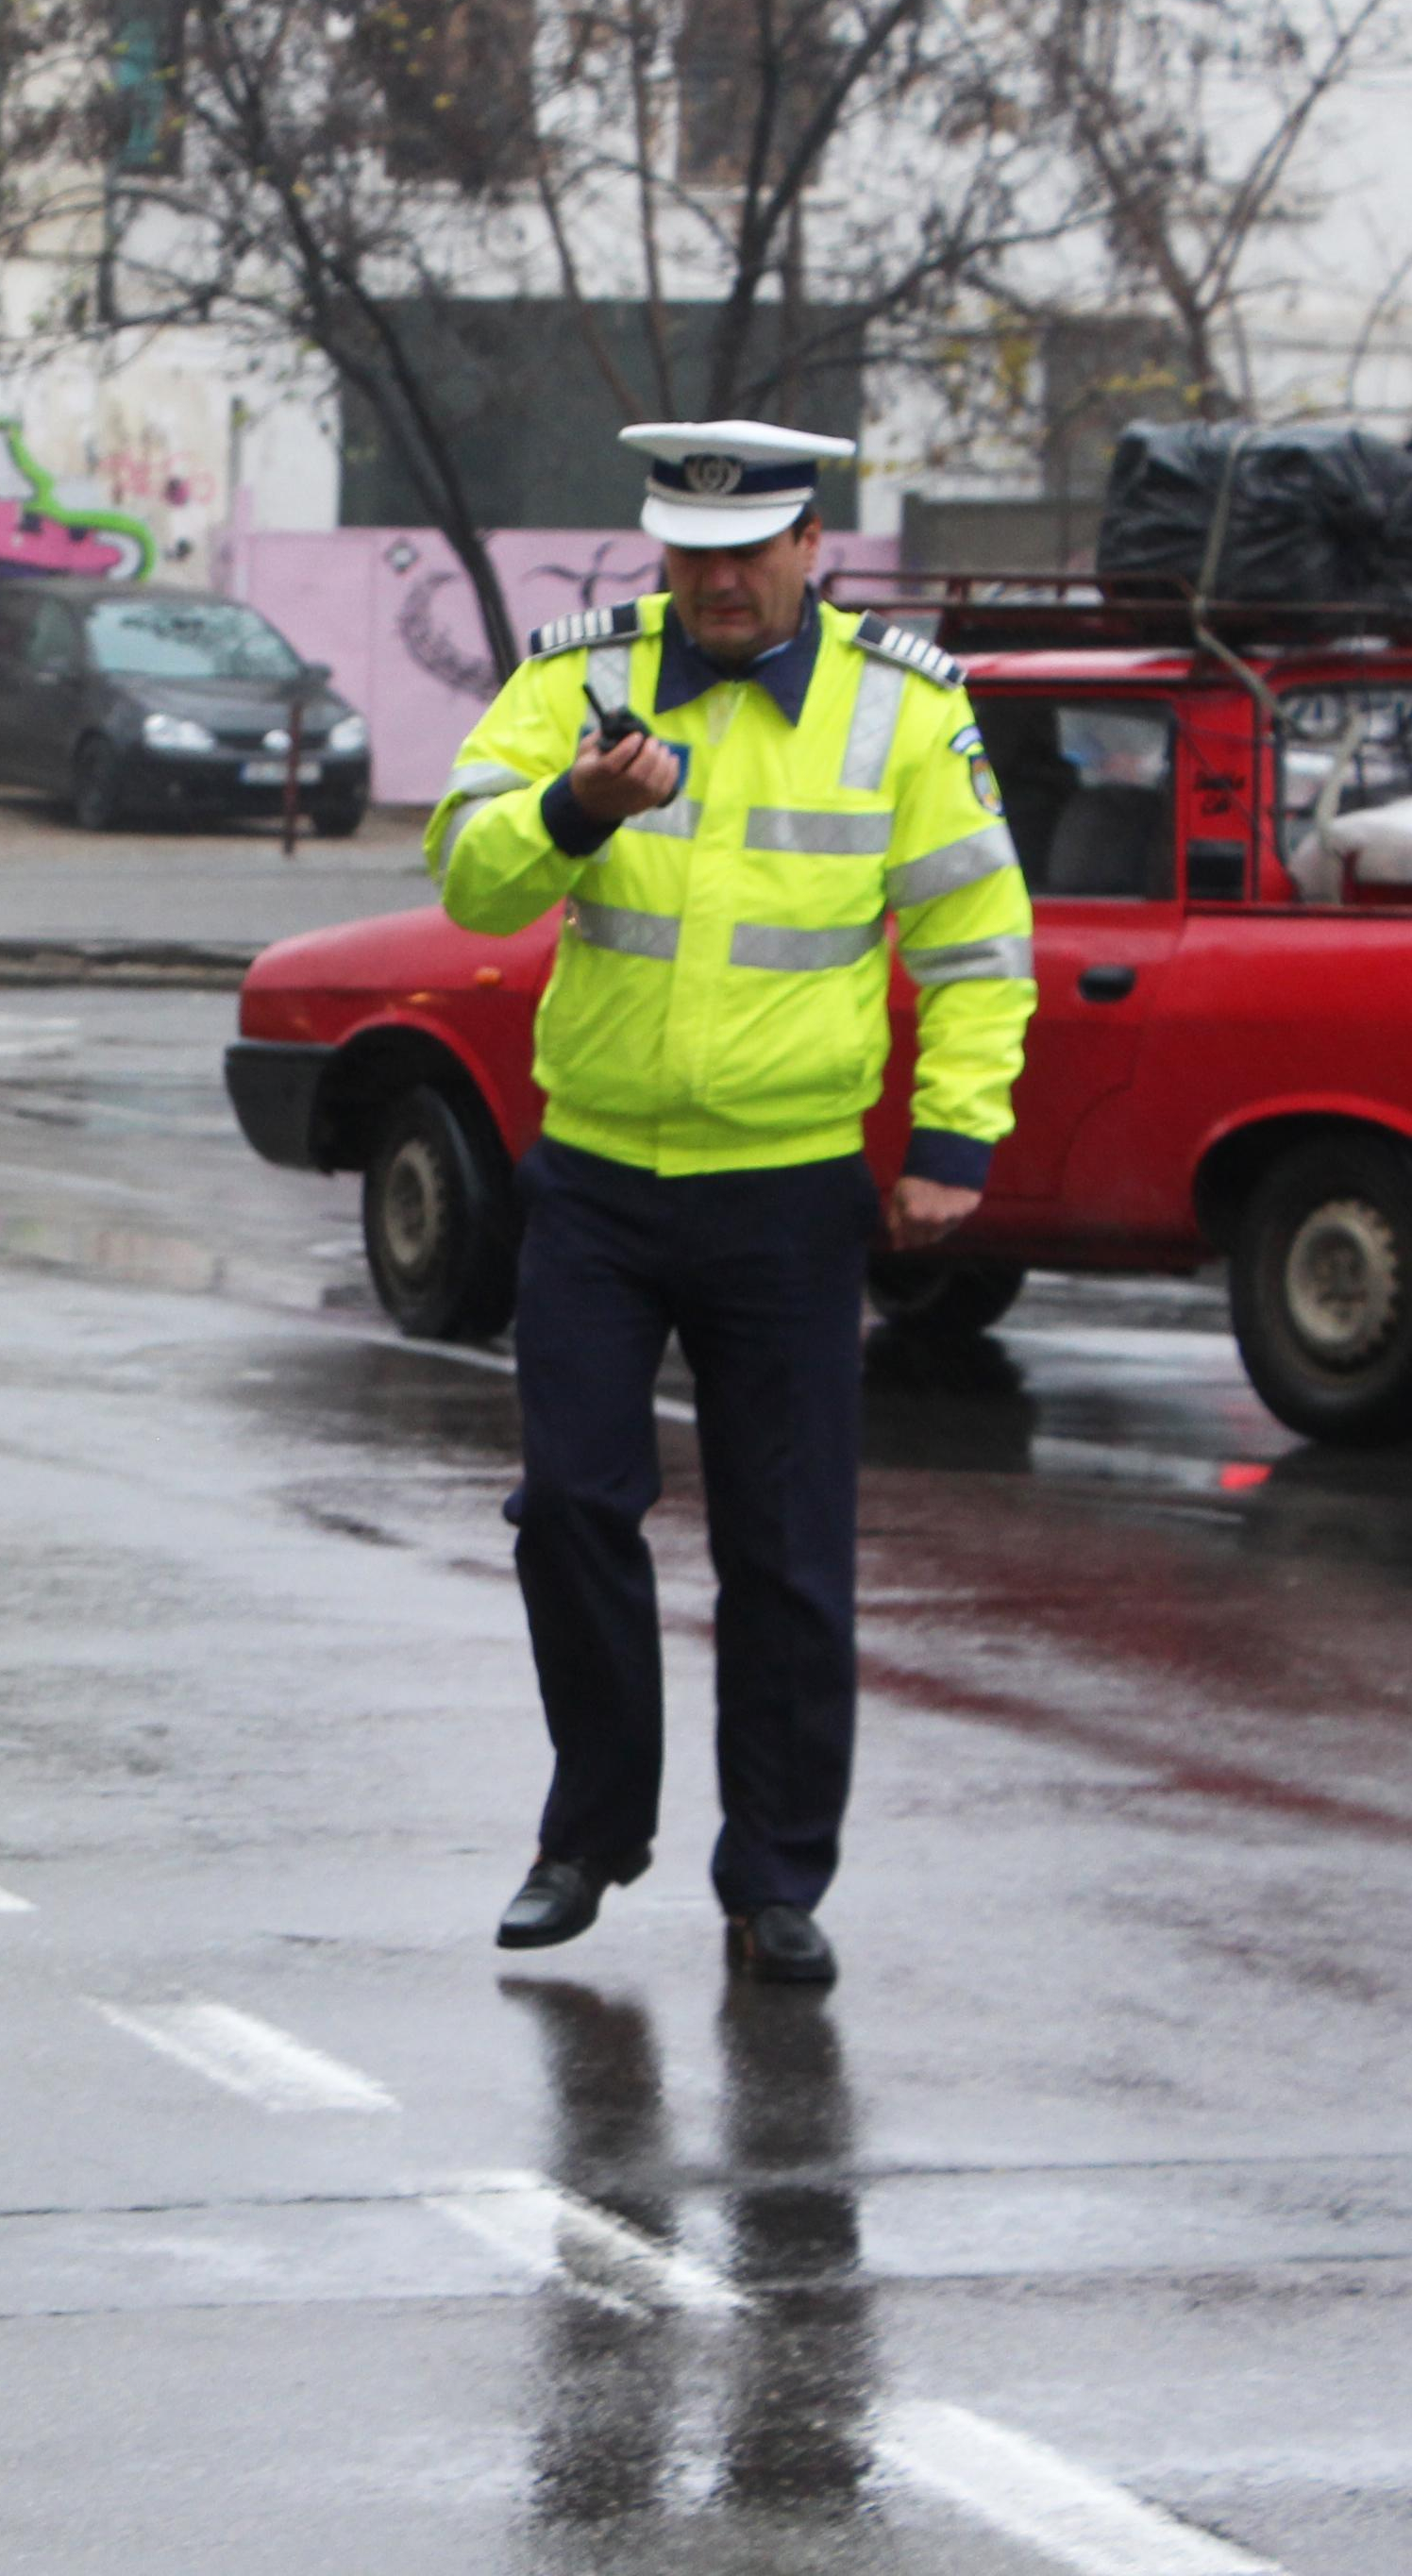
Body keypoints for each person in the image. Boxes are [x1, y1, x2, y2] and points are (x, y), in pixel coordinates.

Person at [422, 421, 1034, 1988]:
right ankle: (587, 1834)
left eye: (746, 553)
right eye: (687, 554)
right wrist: (567, 811)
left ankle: (771, 1879)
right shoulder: (576, 679)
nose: (715, 582)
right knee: (568, 1506)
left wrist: (952, 1141)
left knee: (782, 1548)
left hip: (780, 1190)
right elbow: (465, 877)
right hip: (599, 1179)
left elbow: (972, 940)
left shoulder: (901, 708)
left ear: (808, 549)